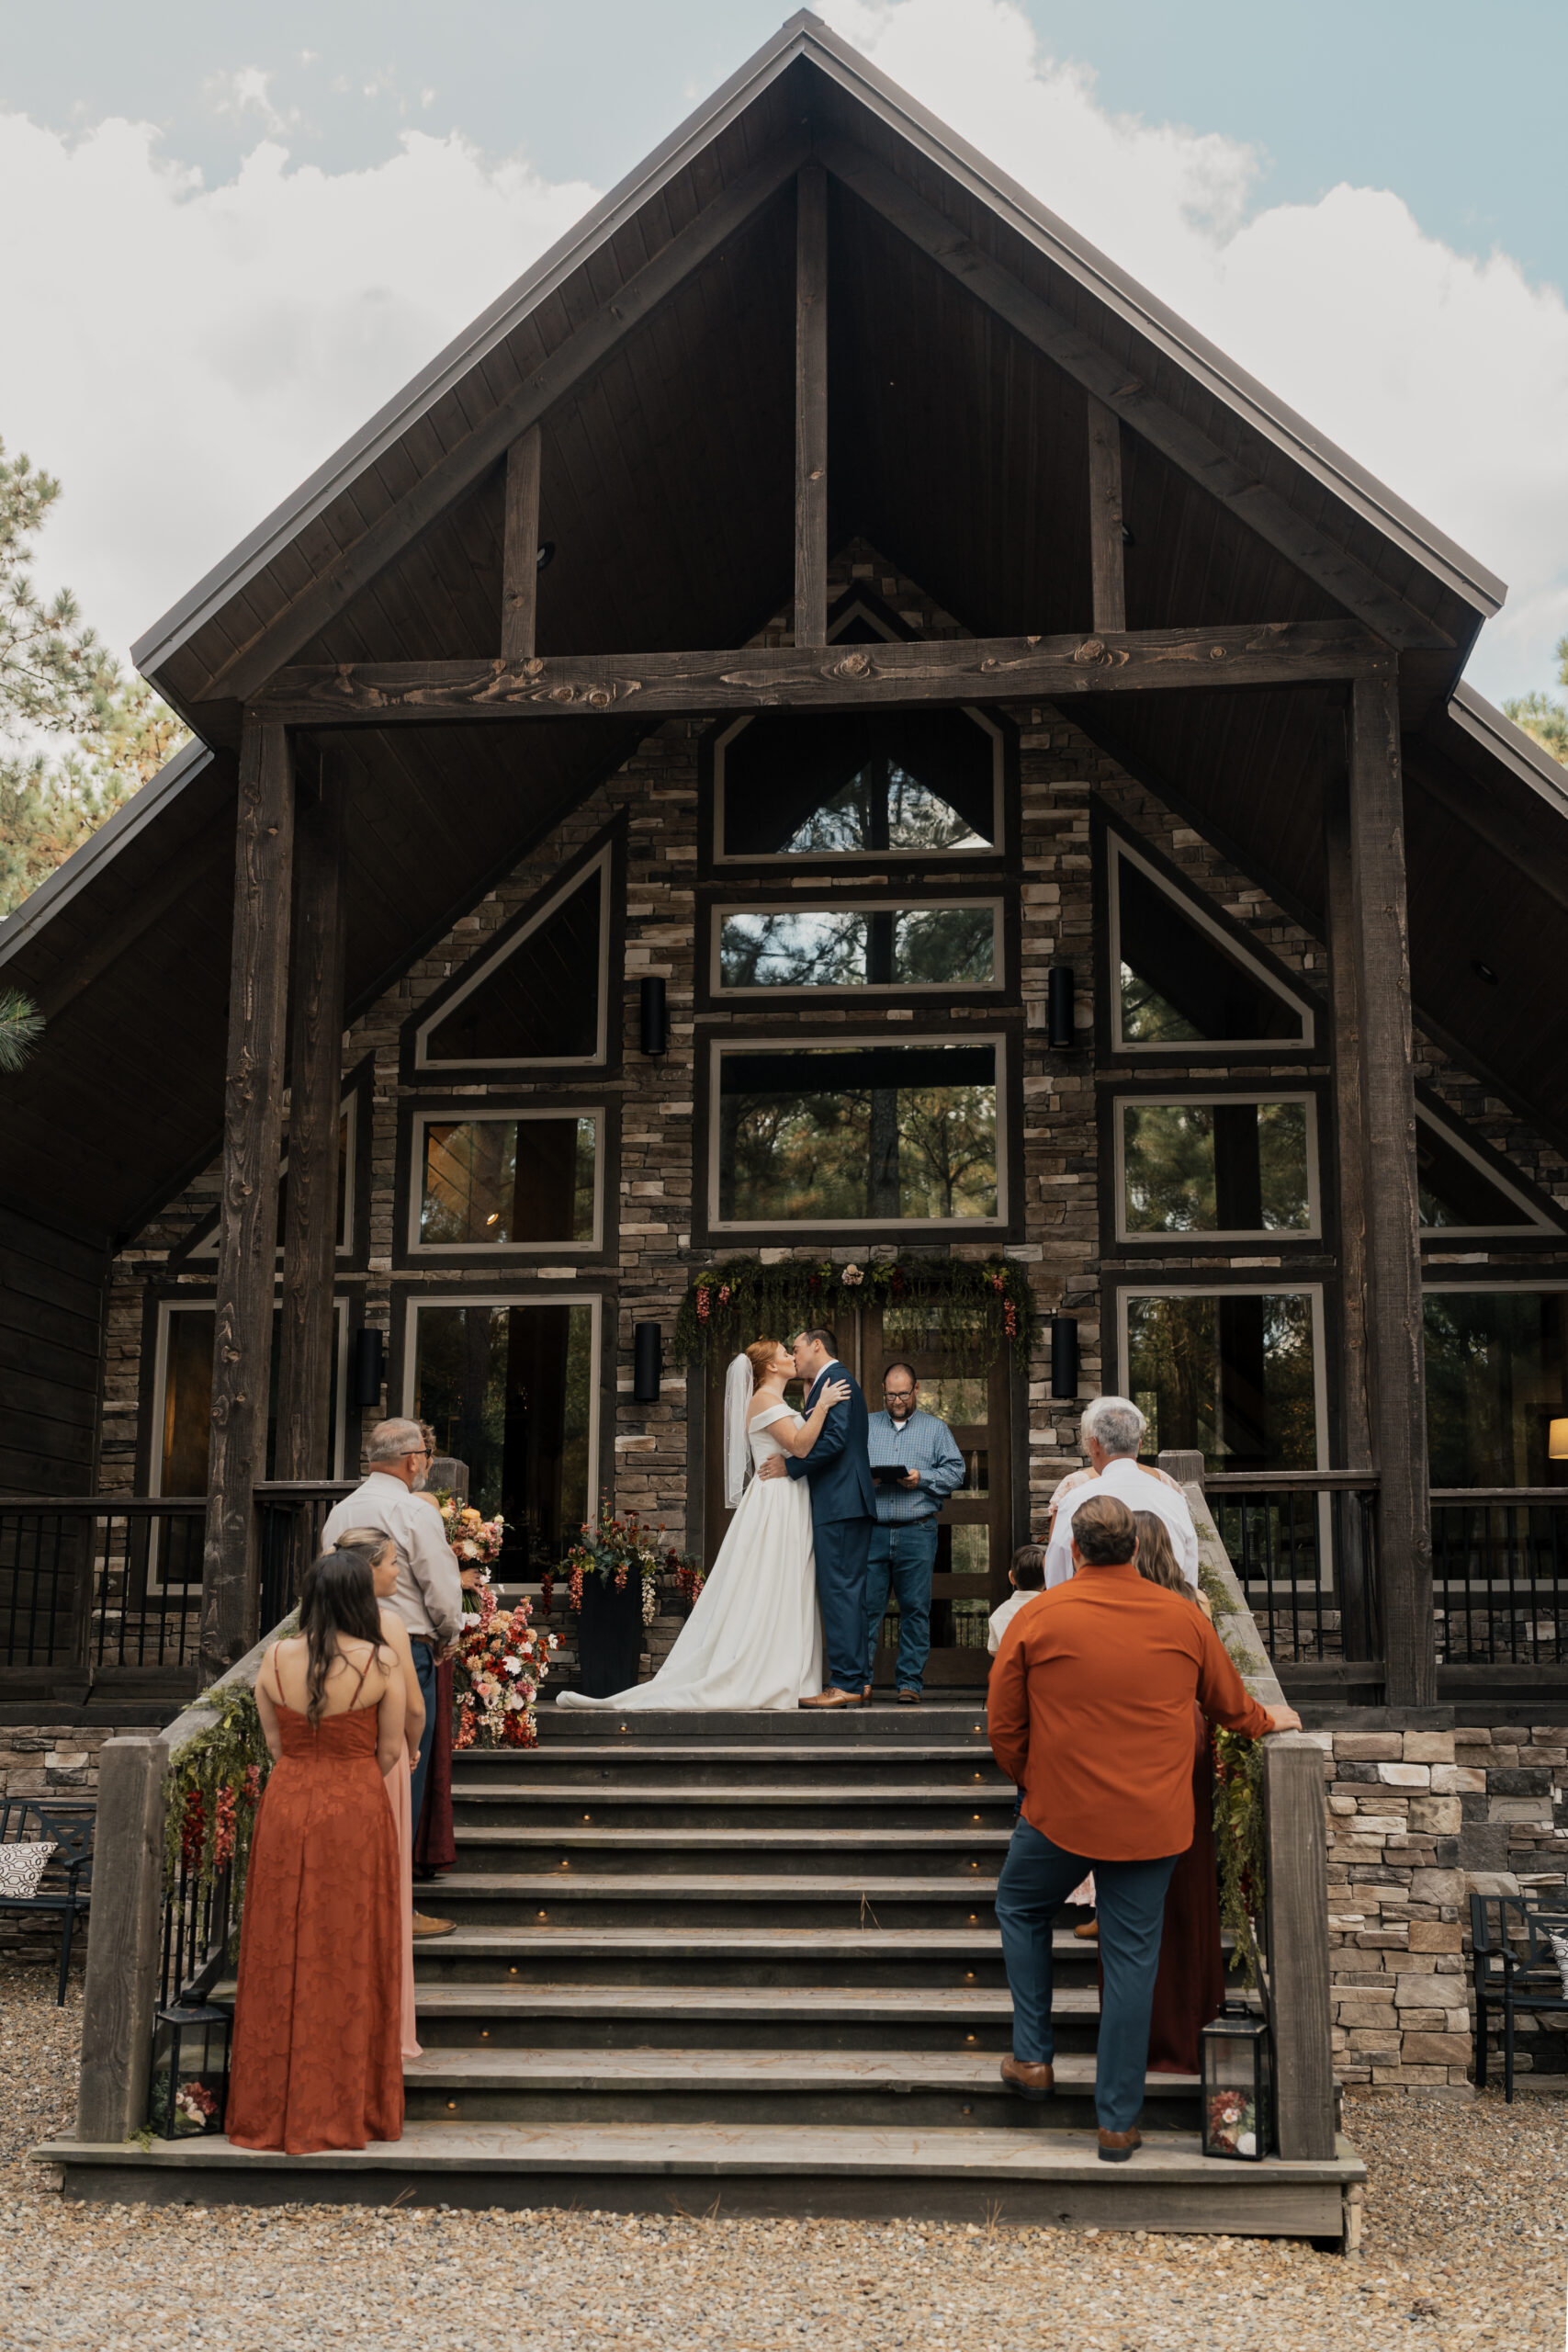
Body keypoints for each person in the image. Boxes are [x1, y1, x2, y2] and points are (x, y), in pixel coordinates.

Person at [987, 1492, 1300, 2164]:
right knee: (1131, 1960)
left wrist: (1032, 1782)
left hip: (1057, 1812)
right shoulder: (1181, 1616)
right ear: (1133, 1546)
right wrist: (1270, 1720)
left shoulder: (1037, 1615)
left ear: (1070, 1552)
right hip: (1152, 1818)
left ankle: (1033, 2058)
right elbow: (1229, 1706)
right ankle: (1117, 2123)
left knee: (1018, 1907)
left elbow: (1003, 1724)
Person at [225, 1548, 406, 2154]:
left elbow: (275, 1743)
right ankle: (349, 2106)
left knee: (280, 1943)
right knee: (351, 1948)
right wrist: (346, 1776)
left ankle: (271, 2109)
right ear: (360, 1599)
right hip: (356, 1803)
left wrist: (307, 1772)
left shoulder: (275, 1657)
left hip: (289, 1801)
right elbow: (389, 1751)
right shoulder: (380, 1660)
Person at [557, 1340, 848, 1710]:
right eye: (784, 1353)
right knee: (773, 1583)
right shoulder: (762, 1400)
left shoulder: (779, 1401)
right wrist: (822, 1405)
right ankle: (769, 1672)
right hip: (776, 1503)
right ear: (771, 1367)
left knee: (789, 1583)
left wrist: (811, 1402)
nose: (792, 1356)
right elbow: (802, 1447)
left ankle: (791, 1673)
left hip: (791, 1498)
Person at [322, 1418, 465, 1938]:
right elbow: (441, 1586)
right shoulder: (410, 1510)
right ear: (412, 1459)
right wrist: (450, 1631)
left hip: (341, 1654)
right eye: (425, 1455)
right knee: (404, 1774)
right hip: (407, 1652)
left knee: (357, 1777)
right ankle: (396, 1907)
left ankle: (354, 1897)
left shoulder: (340, 1511)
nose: (425, 1463)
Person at [1130, 1510, 1226, 2075]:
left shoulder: (1149, 1611)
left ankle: (1158, 2036)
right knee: (1185, 1899)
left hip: (1154, 1758)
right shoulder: (1191, 1605)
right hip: (1188, 1756)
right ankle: (1192, 2024)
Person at [331, 1529, 426, 2058]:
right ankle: (383, 2025)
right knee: (382, 1891)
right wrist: (411, 1748)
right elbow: (413, 1707)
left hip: (328, 1767)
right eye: (392, 1563)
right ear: (367, 1570)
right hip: (378, 1764)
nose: (396, 1572)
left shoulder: (315, 1624)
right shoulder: (388, 1622)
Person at [758, 1329, 877, 1710]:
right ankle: (858, 1681)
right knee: (849, 1592)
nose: (794, 1355)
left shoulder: (836, 1378)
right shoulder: (824, 1383)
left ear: (817, 1346)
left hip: (840, 1502)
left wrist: (791, 1466)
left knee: (840, 1591)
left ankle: (844, 1682)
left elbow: (834, 1440)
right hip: (846, 1502)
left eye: (796, 1348)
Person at [863, 1363, 965, 1704]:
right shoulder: (865, 1426)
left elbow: (956, 1473)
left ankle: (909, 1684)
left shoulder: (936, 1430)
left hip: (917, 1531)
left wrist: (923, 1478)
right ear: (883, 1389)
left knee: (916, 1610)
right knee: (865, 1609)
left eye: (903, 1394)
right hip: (873, 1531)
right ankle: (859, 1681)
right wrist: (870, 1478)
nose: (897, 1400)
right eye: (891, 1394)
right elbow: (846, 1471)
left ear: (916, 1389)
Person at [1043, 1397, 1199, 1589]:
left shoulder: (1076, 1498)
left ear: (1094, 1445)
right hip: (1167, 1609)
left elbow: (1056, 1574)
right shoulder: (1173, 1498)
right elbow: (1189, 1576)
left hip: (1092, 1609)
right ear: (1139, 1444)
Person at [987, 1543, 1046, 1656]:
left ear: (1011, 1577)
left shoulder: (999, 1613)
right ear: (1047, 1577)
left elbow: (993, 1651)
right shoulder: (1052, 1609)